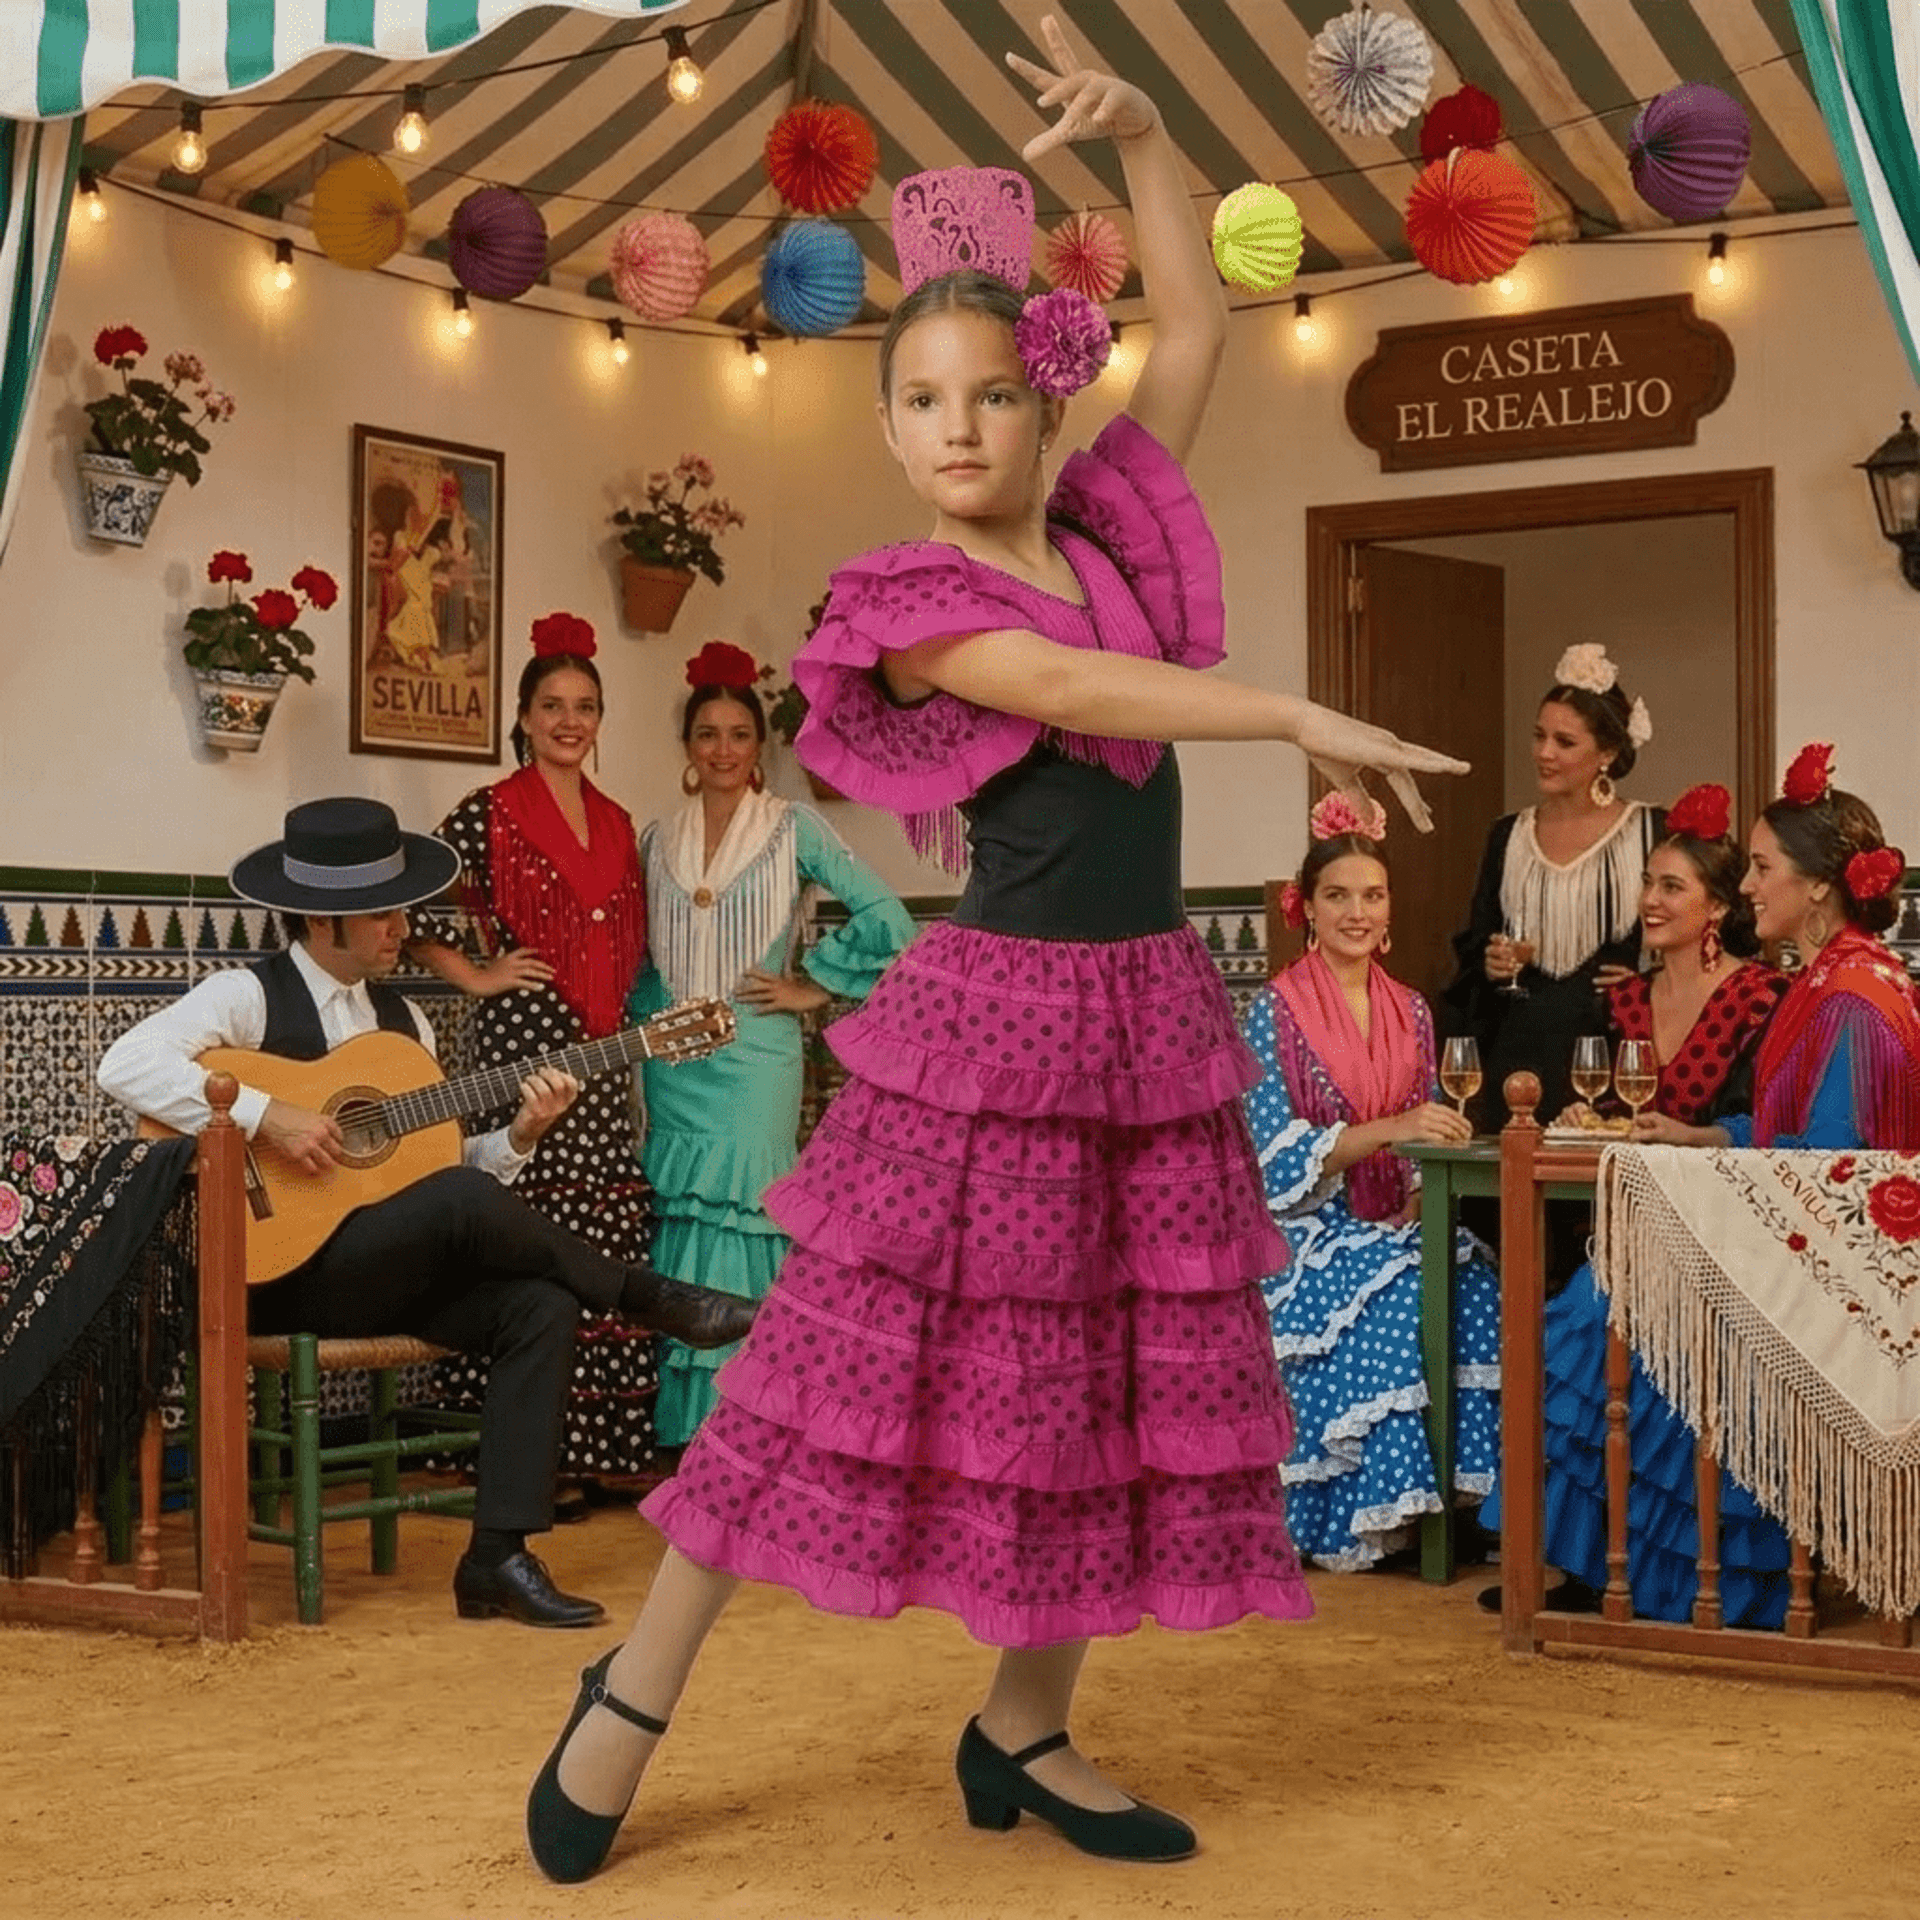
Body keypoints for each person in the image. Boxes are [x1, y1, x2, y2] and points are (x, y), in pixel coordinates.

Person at [524, 16, 1466, 1881]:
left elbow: (1195, 332)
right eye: (922, 402)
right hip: (990, 1027)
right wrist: (1287, 714)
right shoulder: (910, 603)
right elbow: (1070, 690)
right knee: (819, 1365)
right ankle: (629, 1687)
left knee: (1104, 1385)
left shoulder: (1107, 524)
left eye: (988, 397)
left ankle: (1025, 1725)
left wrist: (1148, 139)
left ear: (1045, 404)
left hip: (1144, 1016)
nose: (957, 428)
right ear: (889, 430)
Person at [97, 798, 758, 1629]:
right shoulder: (246, 997)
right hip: (267, 1274)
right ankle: (646, 1297)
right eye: (383, 912)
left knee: (540, 1305)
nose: (402, 928)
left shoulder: (402, 1026)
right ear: (321, 919)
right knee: (468, 1206)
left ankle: (496, 1559)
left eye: (401, 908)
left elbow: (437, 1174)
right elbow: (124, 1065)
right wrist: (272, 1116)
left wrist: (518, 1136)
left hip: (374, 1272)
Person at [1476, 783, 1789, 1622]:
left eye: (1672, 886)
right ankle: (1584, 1567)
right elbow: (1593, 1109)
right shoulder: (1617, 1003)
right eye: (1648, 882)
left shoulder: (1762, 1000)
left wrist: (1692, 1136)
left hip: (1729, 1239)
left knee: (1605, 1323)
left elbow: (1767, 1125)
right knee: (1573, 1328)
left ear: (1718, 906)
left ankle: (1671, 1577)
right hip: (1632, 1229)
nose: (1650, 899)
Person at [635, 640, 915, 1448]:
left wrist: (812, 986)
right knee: (682, 1216)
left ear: (760, 746)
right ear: (687, 747)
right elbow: (646, 956)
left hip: (756, 1057)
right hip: (673, 1063)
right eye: (707, 734)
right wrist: (641, 1039)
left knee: (751, 1218)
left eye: (738, 735)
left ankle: (756, 1423)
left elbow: (888, 919)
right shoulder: (655, 837)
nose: (722, 750)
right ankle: (686, 1433)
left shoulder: (793, 826)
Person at [410, 615, 664, 1485]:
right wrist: (478, 977)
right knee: (527, 1230)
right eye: (552, 705)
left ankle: (594, 1452)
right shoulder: (488, 813)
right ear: (522, 717)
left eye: (585, 706)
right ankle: (520, 1457)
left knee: (595, 1235)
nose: (569, 721)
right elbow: (415, 912)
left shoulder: (618, 821)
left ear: (600, 719)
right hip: (520, 1043)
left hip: (599, 1054)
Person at [1242, 796, 1500, 1571]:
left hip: (1396, 1217)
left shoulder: (1412, 1011)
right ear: (1307, 908)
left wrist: (1420, 1197)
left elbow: (1428, 1127)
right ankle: (1372, 1515)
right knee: (1393, 1298)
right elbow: (1270, 1157)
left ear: (1388, 909)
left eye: (1373, 895)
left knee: (1474, 1279)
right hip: (1305, 1227)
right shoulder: (1272, 1012)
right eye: (1338, 895)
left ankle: (1461, 1506)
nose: (1357, 912)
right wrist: (1390, 1128)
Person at [1444, 643, 1662, 1128]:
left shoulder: (1651, 832)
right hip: (1519, 1055)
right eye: (1539, 736)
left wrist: (1651, 981)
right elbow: (1475, 945)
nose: (1544, 753)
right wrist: (1490, 962)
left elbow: (1693, 932)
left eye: (1564, 742)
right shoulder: (1507, 836)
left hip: (1612, 1055)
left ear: (1607, 753)